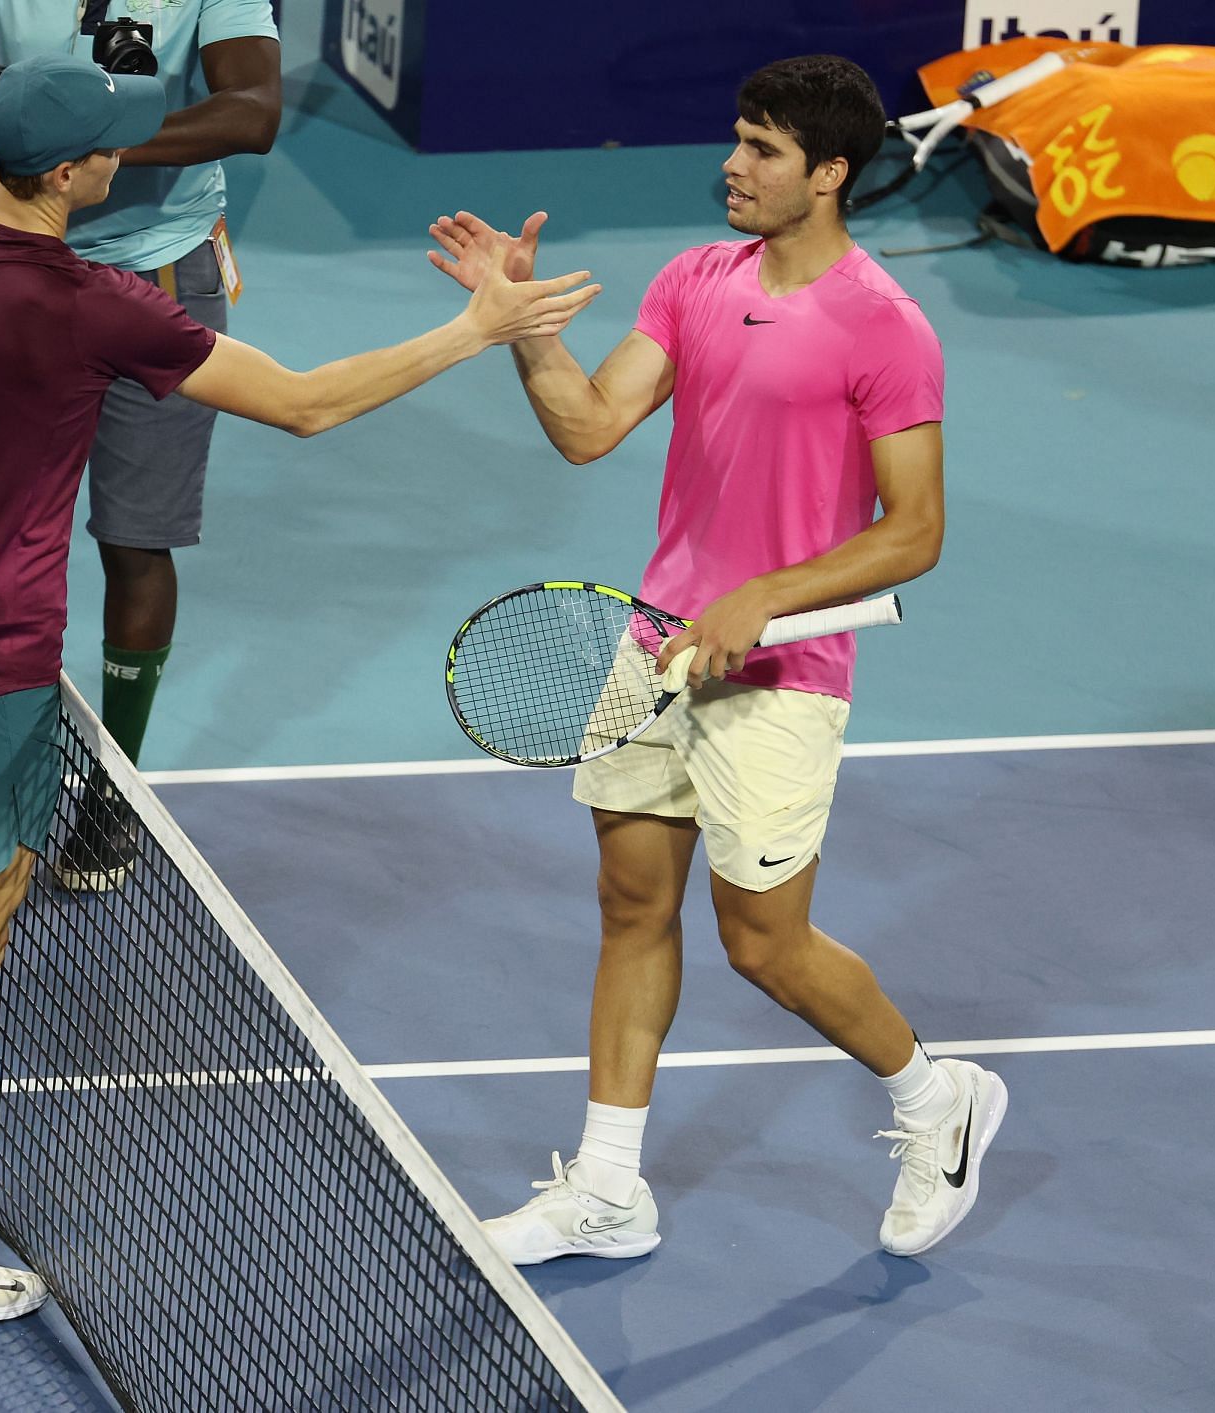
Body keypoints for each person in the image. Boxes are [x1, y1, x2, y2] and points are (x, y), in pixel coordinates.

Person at [0, 53, 599, 1325]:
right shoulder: (100, 304)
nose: (123, 159)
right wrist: (476, 329)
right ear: (77, 171)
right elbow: (305, 407)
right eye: (113, 148)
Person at [426, 54, 1008, 1264]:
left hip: (784, 672)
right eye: (737, 141)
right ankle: (607, 1186)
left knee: (764, 945)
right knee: (631, 905)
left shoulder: (884, 327)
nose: (732, 168)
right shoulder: (696, 279)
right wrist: (521, 329)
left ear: (830, 175)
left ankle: (930, 1094)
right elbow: (589, 428)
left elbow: (917, 532)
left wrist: (765, 598)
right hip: (656, 645)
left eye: (763, 152)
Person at [0, 0, 284, 891]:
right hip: (12, 280)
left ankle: (113, 788)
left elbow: (253, 110)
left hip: (161, 269)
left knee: (136, 543)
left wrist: (87, 142)